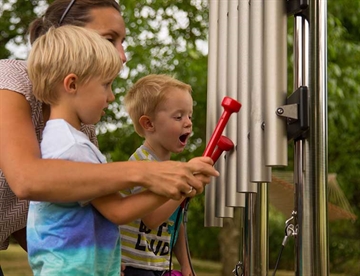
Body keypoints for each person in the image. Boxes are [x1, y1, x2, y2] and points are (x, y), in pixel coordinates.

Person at [0, 0, 219, 274]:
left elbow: (62, 212)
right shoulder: (11, 79)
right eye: (109, 39)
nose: (122, 55)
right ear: (67, 37)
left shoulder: (83, 127)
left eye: (122, 42)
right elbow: (27, 180)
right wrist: (147, 173)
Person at [120, 74, 197, 276]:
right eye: (178, 116)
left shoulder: (172, 169)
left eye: (190, 115)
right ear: (149, 124)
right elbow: (151, 219)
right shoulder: (142, 163)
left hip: (159, 265)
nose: (188, 123)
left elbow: (175, 221)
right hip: (134, 267)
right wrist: (185, 186)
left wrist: (186, 263)